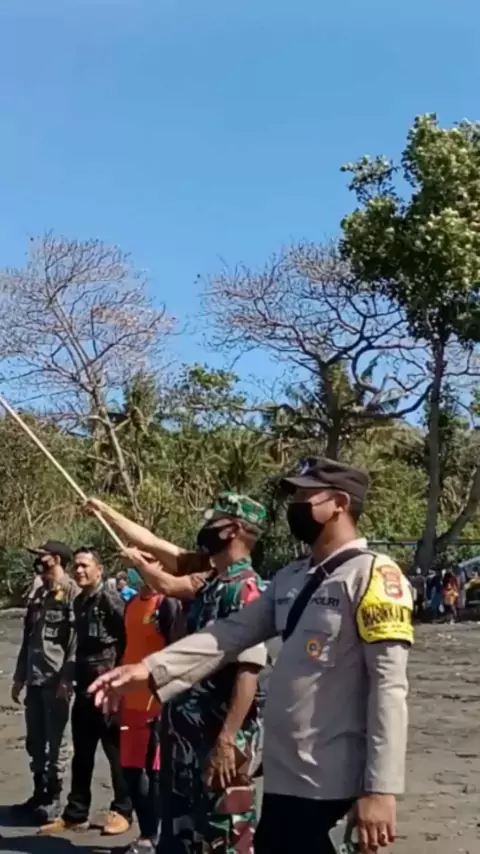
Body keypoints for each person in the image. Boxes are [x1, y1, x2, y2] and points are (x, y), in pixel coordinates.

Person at [89, 459, 414, 854]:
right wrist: (148, 669)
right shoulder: (291, 578)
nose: (294, 505)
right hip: (283, 774)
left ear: (340, 504)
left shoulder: (373, 577)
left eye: (305, 496)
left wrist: (381, 789)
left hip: (334, 781)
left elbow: (388, 689)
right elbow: (228, 634)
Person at [89, 492, 268, 854]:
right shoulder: (210, 578)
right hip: (184, 732)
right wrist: (104, 510)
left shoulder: (247, 589)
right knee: (181, 830)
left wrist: (227, 739)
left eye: (213, 522)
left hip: (218, 735)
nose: (206, 528)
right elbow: (156, 555)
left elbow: (248, 672)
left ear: (233, 529)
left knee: (223, 831)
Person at [39, 547, 132, 836]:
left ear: (99, 570)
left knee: (115, 751)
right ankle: (75, 813)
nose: (79, 571)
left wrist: (120, 680)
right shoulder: (79, 601)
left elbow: (127, 639)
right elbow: (79, 644)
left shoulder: (111, 599)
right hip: (84, 685)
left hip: (109, 686)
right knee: (82, 753)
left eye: (85, 566)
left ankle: (122, 810)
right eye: (76, 566)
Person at [118, 565, 184, 854]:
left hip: (156, 702)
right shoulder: (132, 603)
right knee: (130, 769)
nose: (142, 569)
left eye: (149, 562)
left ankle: (155, 838)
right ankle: (147, 832)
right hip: (130, 700)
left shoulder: (167, 604)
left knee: (155, 772)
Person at [10, 541, 77, 824]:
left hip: (56, 679)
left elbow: (75, 641)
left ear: (57, 559)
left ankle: (54, 798)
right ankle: (38, 793)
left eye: (43, 557)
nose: (38, 561)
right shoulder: (39, 593)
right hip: (35, 677)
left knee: (57, 741)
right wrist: (19, 676)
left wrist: (68, 678)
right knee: (35, 740)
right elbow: (28, 639)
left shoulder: (72, 592)